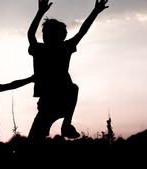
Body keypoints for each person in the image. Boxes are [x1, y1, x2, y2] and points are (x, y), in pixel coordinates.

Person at [27, 0, 109, 142]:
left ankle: (66, 124)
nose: (64, 36)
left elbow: (30, 34)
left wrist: (40, 12)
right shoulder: (57, 48)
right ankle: (66, 123)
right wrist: (95, 12)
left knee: (72, 89)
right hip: (53, 102)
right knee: (73, 89)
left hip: (55, 100)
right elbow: (82, 32)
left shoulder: (45, 49)